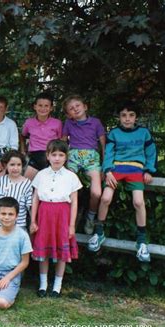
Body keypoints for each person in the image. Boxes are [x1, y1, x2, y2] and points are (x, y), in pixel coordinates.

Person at [88, 103, 157, 262]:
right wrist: (107, 170)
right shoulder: (114, 133)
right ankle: (99, 233)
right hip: (116, 169)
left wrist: (149, 170)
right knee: (105, 198)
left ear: (136, 117)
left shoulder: (144, 133)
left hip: (136, 169)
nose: (127, 119)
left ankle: (141, 242)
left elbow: (151, 152)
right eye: (124, 115)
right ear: (119, 117)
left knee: (139, 202)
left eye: (131, 115)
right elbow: (108, 154)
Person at [29, 139, 82, 298]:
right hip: (44, 214)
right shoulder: (41, 174)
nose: (57, 158)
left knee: (61, 251)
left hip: (62, 215)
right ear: (48, 156)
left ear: (66, 157)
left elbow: (74, 203)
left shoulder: (71, 177)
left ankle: (57, 286)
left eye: (61, 155)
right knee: (43, 250)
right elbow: (35, 198)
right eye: (54, 155)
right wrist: (33, 220)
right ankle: (43, 284)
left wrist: (72, 225)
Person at [62, 95, 106, 235]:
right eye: (71, 109)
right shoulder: (68, 124)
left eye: (77, 106)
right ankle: (68, 219)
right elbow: (63, 143)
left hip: (92, 158)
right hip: (74, 156)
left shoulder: (96, 123)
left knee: (96, 192)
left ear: (85, 107)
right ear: (69, 114)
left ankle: (90, 217)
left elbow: (103, 144)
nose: (75, 109)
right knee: (67, 187)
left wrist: (104, 166)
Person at [0, 197, 32, 309]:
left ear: (16, 216)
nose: (7, 217)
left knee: (0, 303)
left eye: (10, 214)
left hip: (12, 274)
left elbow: (25, 262)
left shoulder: (22, 235)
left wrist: (8, 278)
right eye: (3, 213)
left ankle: (8, 294)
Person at [21, 92, 62, 180]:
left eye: (46, 106)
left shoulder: (57, 123)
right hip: (34, 156)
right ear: (35, 106)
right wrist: (23, 150)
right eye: (40, 105)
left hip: (51, 156)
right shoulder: (29, 122)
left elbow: (61, 140)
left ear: (51, 108)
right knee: (25, 183)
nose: (43, 108)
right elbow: (22, 136)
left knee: (50, 182)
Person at [0, 150, 32, 230]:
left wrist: (33, 222)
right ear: (5, 165)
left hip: (19, 226)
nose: (15, 168)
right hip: (1, 225)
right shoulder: (0, 181)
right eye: (12, 165)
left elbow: (29, 207)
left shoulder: (27, 183)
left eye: (19, 165)